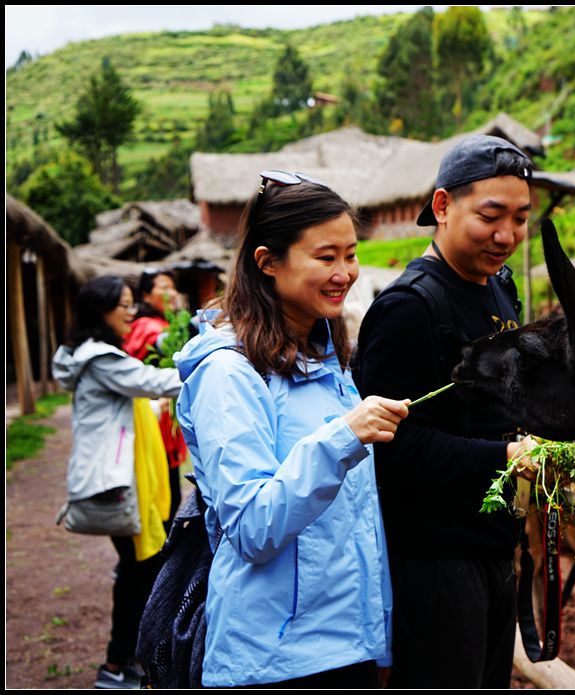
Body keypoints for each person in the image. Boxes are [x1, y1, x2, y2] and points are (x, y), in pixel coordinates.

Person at [173, 171, 408, 688]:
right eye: (326, 257)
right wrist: (342, 438)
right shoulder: (228, 374)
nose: (344, 272)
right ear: (267, 262)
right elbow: (254, 528)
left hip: (346, 649)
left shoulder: (326, 360)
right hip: (274, 662)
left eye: (350, 254)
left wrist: (379, 633)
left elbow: (357, 524)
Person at [353, 134, 539, 688]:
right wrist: (504, 456)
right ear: (442, 206)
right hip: (432, 564)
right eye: (491, 215)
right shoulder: (407, 309)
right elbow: (390, 448)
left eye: (521, 218)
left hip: (494, 548)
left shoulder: (499, 291)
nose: (507, 235)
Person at [52, 275, 183, 690]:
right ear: (100, 310)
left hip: (119, 479)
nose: (132, 311)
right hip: (117, 482)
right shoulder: (103, 359)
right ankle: (119, 664)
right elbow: (160, 381)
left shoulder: (92, 356)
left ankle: (125, 661)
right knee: (139, 571)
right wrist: (215, 357)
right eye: (124, 304)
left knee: (137, 569)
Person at [122, 268, 189, 525]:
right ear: (146, 295)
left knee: (169, 494)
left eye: (173, 287)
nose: (171, 292)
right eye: (163, 287)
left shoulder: (165, 322)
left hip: (164, 423)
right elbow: (162, 341)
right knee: (163, 497)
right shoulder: (146, 326)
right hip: (153, 421)